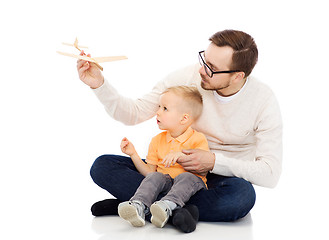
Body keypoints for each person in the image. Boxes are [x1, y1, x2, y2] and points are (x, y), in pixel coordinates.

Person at [77, 29, 282, 230]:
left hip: (218, 179)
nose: (201, 70)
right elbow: (134, 112)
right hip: (169, 170)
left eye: (211, 67)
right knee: (103, 166)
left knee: (241, 197)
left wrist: (213, 162)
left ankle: (140, 203)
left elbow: (270, 174)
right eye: (204, 59)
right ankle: (174, 210)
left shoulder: (263, 101)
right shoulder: (189, 76)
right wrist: (99, 85)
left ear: (238, 76)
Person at [118, 86, 209, 232]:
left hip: (192, 186)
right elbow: (149, 173)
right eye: (159, 107)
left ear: (184, 118)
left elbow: (203, 169)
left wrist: (180, 156)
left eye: (165, 108)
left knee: (186, 177)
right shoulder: (157, 140)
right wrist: (133, 154)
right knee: (155, 176)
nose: (158, 112)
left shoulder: (198, 139)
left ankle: (167, 206)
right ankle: (138, 206)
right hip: (167, 184)